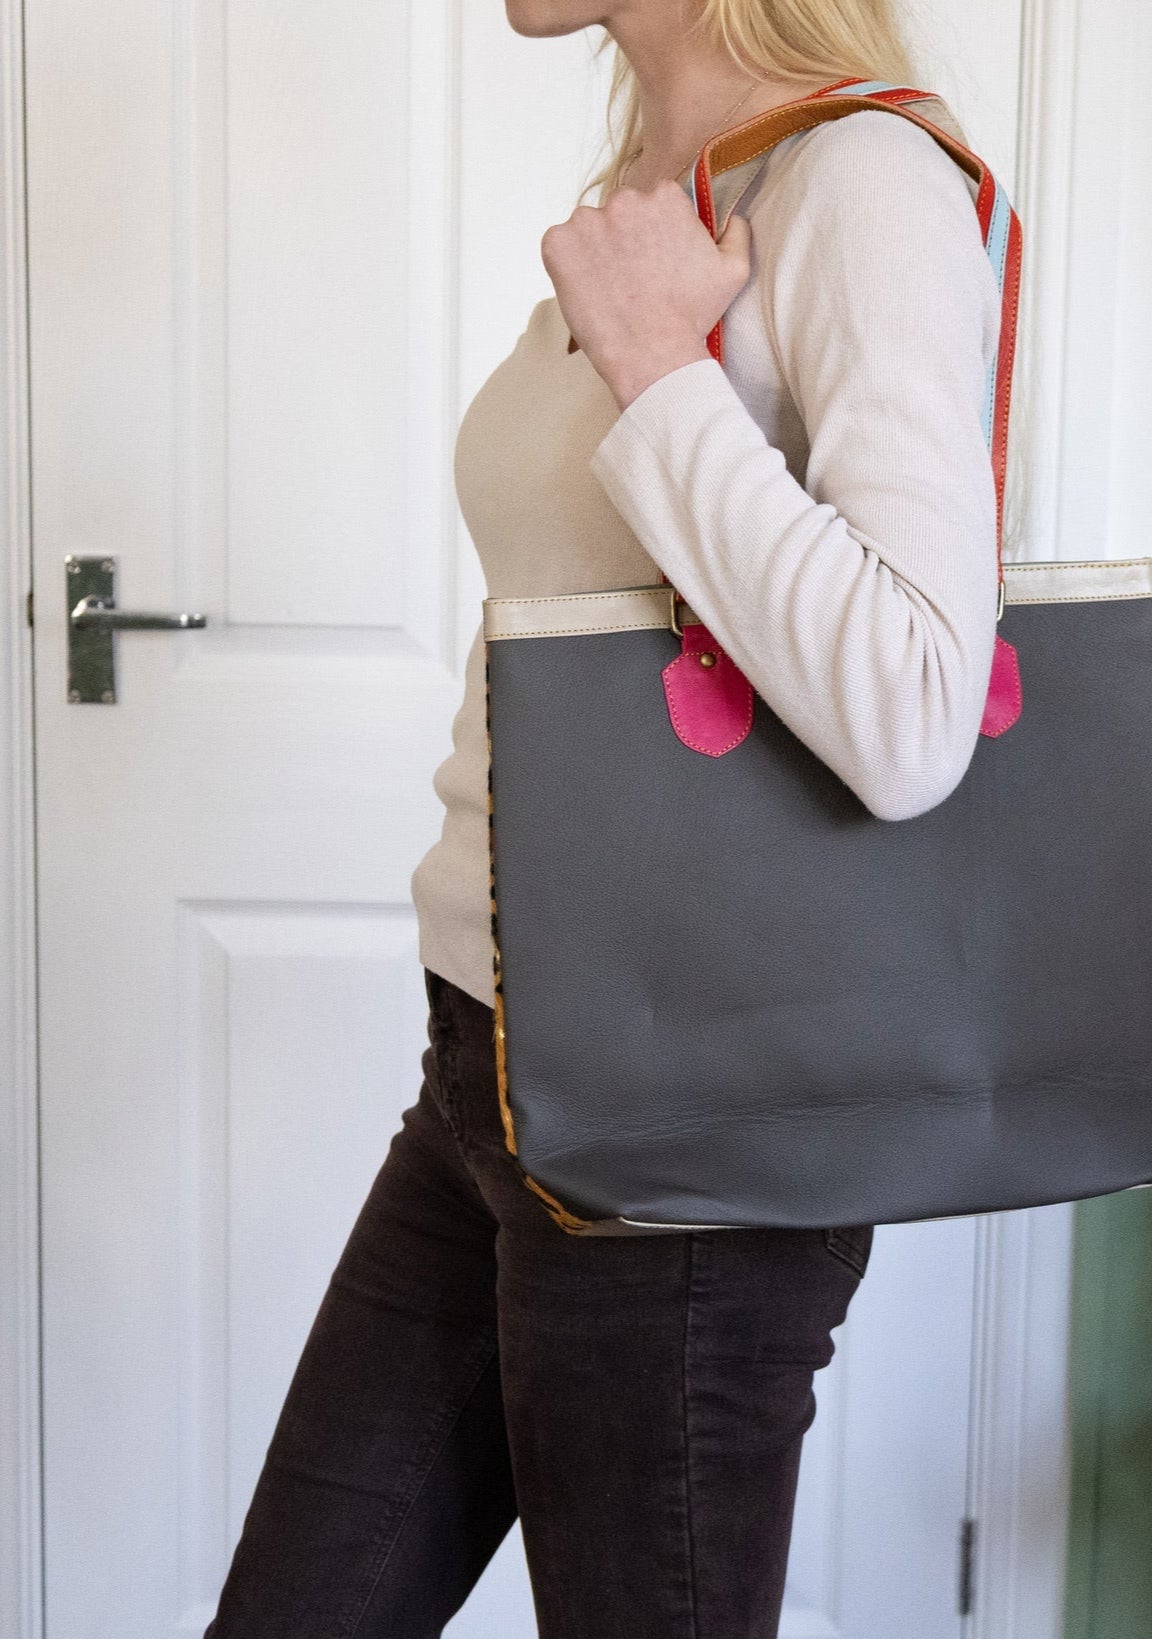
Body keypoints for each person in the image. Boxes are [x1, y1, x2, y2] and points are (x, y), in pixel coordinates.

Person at [203, 0, 1005, 1627]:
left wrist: (658, 364)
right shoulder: (660, 183)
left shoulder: (862, 183)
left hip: (689, 1135)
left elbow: (917, 708)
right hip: (494, 1065)